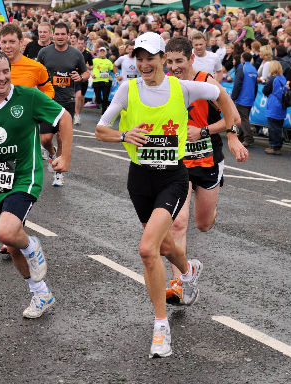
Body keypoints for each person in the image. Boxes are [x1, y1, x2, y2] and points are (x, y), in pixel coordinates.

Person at [95, 32, 235, 359]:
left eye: (151, 58)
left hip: (172, 177)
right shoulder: (129, 89)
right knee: (166, 245)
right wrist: (123, 134)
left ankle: (161, 327)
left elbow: (220, 94)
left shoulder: (182, 88)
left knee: (148, 249)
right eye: (139, 58)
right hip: (139, 180)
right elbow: (101, 129)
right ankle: (187, 271)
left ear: (161, 59)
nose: (144, 64)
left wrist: (230, 128)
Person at [164, 37, 248, 302]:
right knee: (178, 222)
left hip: (209, 159)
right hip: (179, 162)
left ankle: (211, 211)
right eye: (170, 61)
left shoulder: (207, 82)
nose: (175, 66)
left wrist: (220, 134)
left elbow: (232, 117)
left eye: (179, 61)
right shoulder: (165, 84)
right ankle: (180, 283)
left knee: (203, 224)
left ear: (191, 59)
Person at [0, 50, 72, 318]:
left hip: (24, 176)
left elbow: (64, 118)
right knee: (11, 245)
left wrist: (65, 157)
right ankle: (41, 293)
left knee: (7, 232)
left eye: (5, 71)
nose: (2, 78)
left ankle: (32, 246)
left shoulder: (28, 97)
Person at [37, 22, 89, 187]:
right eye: (57, 34)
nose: (60, 37)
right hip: (47, 102)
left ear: (68, 35)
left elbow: (87, 72)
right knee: (45, 139)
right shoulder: (44, 52)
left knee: (60, 137)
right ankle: (52, 154)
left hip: (67, 102)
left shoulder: (76, 54)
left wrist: (80, 77)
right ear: (53, 35)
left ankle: (58, 174)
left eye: (63, 34)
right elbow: (37, 72)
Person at [231, 52, 258, 147]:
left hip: (242, 97)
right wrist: (253, 96)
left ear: (242, 58)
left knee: (243, 118)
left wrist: (233, 97)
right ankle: (242, 136)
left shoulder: (241, 67)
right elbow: (256, 85)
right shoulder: (253, 69)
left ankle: (248, 138)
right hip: (250, 97)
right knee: (244, 117)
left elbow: (237, 84)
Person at [262, 61, 287, 155]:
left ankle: (274, 147)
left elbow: (265, 90)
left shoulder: (273, 79)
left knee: (272, 128)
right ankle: (277, 146)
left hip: (273, 106)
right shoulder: (283, 78)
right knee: (278, 127)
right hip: (281, 106)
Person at [73, 36, 93, 125]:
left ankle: (78, 114)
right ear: (77, 43)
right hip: (76, 77)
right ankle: (76, 115)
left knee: (81, 98)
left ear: (84, 44)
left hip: (85, 77)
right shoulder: (74, 52)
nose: (80, 45)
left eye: (82, 43)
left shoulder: (88, 54)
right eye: (79, 43)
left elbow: (92, 66)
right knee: (78, 95)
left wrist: (87, 66)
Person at [91, 46, 113, 115]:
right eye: (101, 51)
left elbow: (113, 69)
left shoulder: (108, 61)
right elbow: (88, 67)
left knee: (105, 98)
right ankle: (98, 102)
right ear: (98, 52)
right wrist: (91, 74)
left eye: (104, 51)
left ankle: (103, 113)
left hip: (106, 81)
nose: (102, 52)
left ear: (106, 53)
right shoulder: (94, 60)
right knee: (98, 98)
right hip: (96, 80)